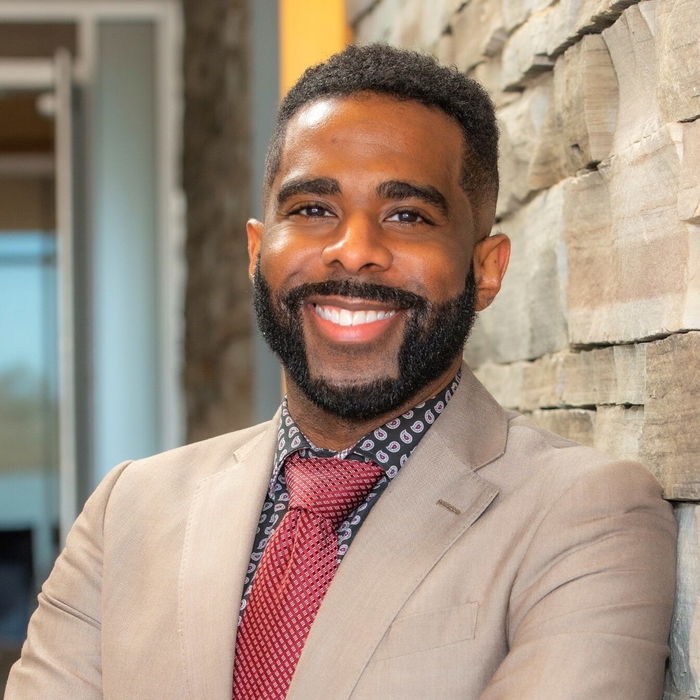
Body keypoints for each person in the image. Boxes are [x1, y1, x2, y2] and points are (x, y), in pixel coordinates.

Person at [6, 44, 676, 699]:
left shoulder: (584, 516)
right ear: (257, 248)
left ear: (487, 267)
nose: (353, 250)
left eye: (407, 215)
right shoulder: (128, 511)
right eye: (312, 210)